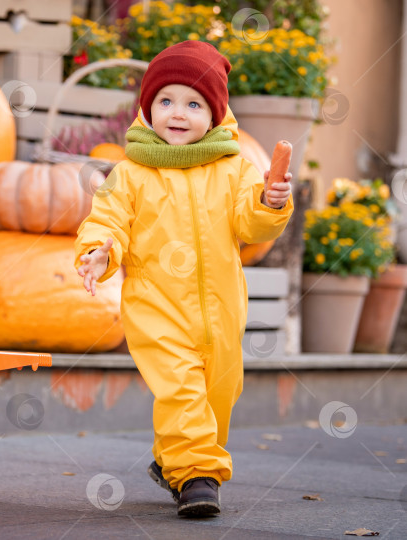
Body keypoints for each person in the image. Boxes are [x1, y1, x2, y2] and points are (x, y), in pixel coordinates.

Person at [74, 40, 293, 517]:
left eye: (194, 103)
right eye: (166, 101)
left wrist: (269, 204)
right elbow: (106, 221)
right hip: (157, 310)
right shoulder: (128, 173)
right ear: (147, 108)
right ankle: (197, 475)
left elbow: (249, 225)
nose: (178, 112)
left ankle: (172, 459)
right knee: (180, 388)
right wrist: (98, 253)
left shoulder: (234, 168)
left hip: (222, 310)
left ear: (215, 115)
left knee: (218, 393)